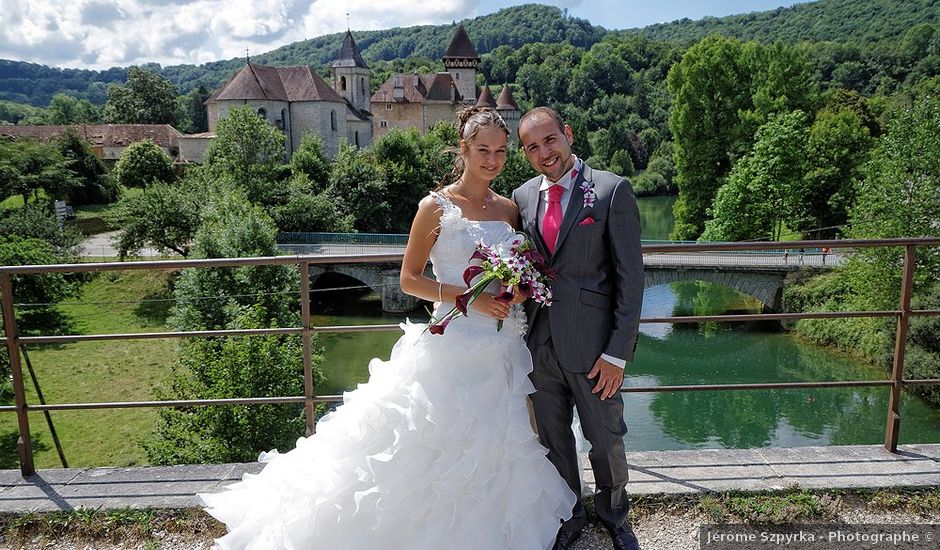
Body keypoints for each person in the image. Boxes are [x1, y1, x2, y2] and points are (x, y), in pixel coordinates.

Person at [198, 106, 576, 549]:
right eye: (482, 150)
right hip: (454, 341)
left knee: (502, 441)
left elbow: (521, 270)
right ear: (464, 149)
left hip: (505, 344)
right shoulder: (435, 207)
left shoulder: (510, 210)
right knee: (436, 441)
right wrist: (470, 297)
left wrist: (517, 292)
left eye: (499, 151)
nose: (491, 160)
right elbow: (409, 280)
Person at [512, 107, 644, 550]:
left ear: (567, 134)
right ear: (526, 154)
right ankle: (567, 514)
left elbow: (631, 278)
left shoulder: (610, 190)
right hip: (538, 344)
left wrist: (617, 353)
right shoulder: (523, 196)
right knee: (552, 439)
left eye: (550, 140)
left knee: (606, 439)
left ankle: (614, 515)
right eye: (533, 147)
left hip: (593, 348)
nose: (544, 152)